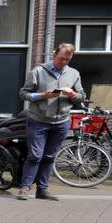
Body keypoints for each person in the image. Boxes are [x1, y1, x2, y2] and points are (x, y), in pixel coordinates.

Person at [18, 43, 85, 201]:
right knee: (35, 155)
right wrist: (42, 96)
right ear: (54, 55)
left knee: (49, 157)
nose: (63, 62)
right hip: (38, 120)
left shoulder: (74, 74)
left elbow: (82, 96)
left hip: (61, 122)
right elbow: (23, 93)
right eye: (61, 59)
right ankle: (25, 187)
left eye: (67, 60)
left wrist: (74, 95)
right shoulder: (38, 71)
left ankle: (42, 190)